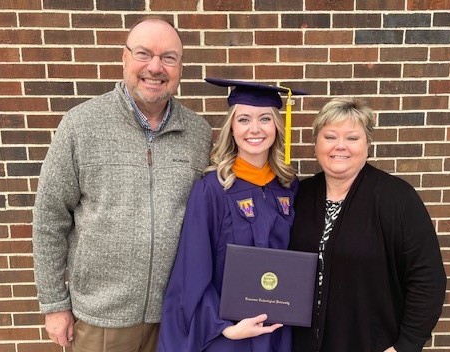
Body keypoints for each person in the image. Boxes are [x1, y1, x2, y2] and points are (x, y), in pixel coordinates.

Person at [32, 15, 212, 352]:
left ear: (180, 66)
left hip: (175, 315)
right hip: (102, 320)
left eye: (168, 57)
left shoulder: (198, 133)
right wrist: (55, 304)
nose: (155, 67)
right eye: (144, 54)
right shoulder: (81, 125)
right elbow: (50, 218)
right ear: (124, 57)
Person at [157, 78, 307, 352]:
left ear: (277, 126)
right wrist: (223, 326)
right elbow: (192, 269)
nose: (255, 129)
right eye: (244, 120)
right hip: (231, 334)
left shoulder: (288, 187)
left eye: (264, 118)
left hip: (279, 330)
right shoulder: (213, 190)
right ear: (232, 128)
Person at [288, 97, 447, 352]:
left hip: (369, 343)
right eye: (330, 137)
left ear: (367, 144)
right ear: (315, 143)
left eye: (352, 138)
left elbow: (428, 279)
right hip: (303, 344)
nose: (340, 146)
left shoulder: (396, 198)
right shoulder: (300, 196)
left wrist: (405, 345)